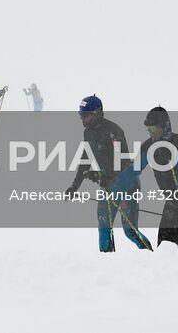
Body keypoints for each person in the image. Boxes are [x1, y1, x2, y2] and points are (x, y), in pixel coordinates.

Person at [64, 95, 151, 252]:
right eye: (81, 115)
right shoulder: (88, 133)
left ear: (98, 113)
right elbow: (85, 159)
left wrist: (101, 176)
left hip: (127, 184)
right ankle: (106, 263)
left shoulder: (114, 132)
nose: (83, 119)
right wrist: (74, 185)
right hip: (108, 184)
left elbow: (122, 163)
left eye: (86, 115)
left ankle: (151, 256)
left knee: (129, 231)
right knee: (104, 226)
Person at [115, 106, 178, 247]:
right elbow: (132, 171)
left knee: (170, 245)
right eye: (149, 130)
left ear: (165, 127)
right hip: (172, 205)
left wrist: (176, 158)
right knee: (163, 246)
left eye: (154, 129)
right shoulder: (149, 147)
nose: (151, 134)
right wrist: (115, 184)